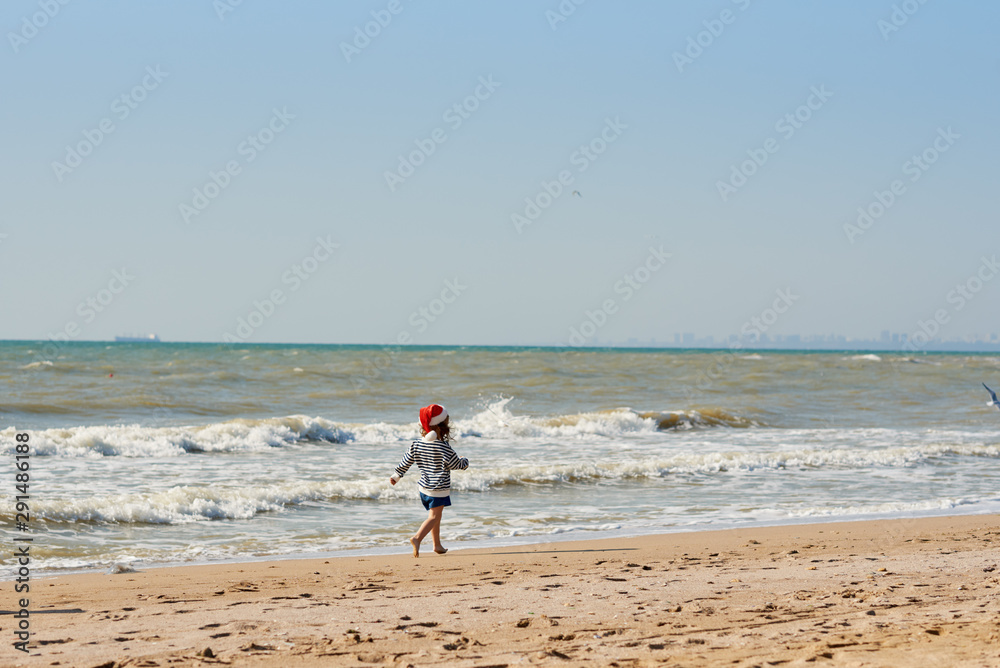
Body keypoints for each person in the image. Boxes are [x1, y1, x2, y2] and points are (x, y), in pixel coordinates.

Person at [390, 404, 468, 557]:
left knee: (435, 517)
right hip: (438, 489)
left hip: (424, 488)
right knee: (433, 517)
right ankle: (417, 538)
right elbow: (456, 464)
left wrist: (396, 476)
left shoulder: (416, 444)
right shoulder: (443, 447)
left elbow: (406, 461)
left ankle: (437, 545)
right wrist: (465, 461)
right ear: (441, 426)